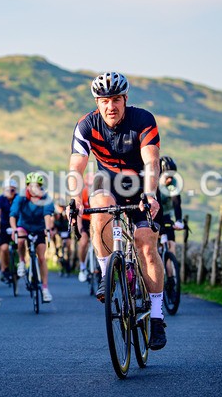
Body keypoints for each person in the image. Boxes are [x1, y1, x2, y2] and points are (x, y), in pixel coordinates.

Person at [68, 71, 168, 350]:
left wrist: (149, 193)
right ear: (97, 103)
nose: (110, 106)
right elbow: (76, 167)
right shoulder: (86, 125)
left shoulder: (143, 120)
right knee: (98, 208)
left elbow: (151, 161)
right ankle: (107, 274)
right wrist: (75, 199)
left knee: (146, 244)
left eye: (115, 100)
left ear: (125, 100)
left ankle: (157, 316)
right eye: (104, 101)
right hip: (107, 180)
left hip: (140, 182)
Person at [10, 172, 55, 302]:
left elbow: (47, 214)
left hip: (39, 228)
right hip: (24, 226)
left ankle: (45, 289)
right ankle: (22, 262)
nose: (35, 188)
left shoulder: (45, 197)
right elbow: (13, 214)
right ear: (27, 186)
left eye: (37, 186)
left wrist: (47, 229)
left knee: (41, 257)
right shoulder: (21, 197)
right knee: (20, 239)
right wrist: (14, 229)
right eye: (31, 186)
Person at [0, 179, 18, 282]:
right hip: (4, 225)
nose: (10, 192)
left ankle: (20, 264)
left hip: (17, 225)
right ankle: (5, 268)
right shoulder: (0, 199)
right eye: (7, 190)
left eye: (12, 190)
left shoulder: (18, 199)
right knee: (4, 248)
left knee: (21, 243)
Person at [77, 174, 95, 282]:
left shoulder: (99, 193)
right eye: (88, 184)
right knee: (83, 242)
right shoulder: (83, 193)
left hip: (95, 219)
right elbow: (78, 212)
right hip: (84, 219)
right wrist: (80, 228)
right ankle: (82, 266)